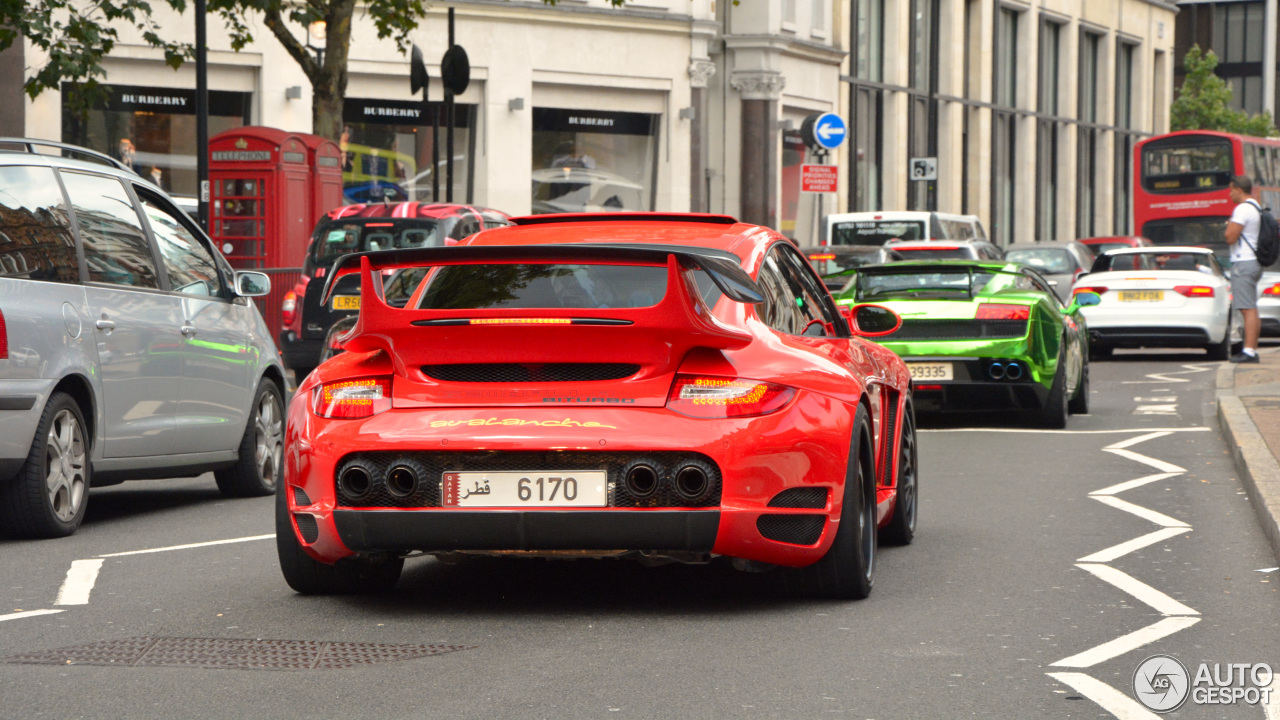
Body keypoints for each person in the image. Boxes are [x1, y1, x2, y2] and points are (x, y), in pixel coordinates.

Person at [1224, 175, 1263, 363]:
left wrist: (1228, 227)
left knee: (1247, 309)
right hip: (1254, 262)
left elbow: (1230, 237)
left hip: (1243, 262)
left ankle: (1249, 351)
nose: (1230, 194)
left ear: (1239, 189)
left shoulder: (1242, 209)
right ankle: (1251, 349)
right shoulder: (1255, 206)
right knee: (1251, 308)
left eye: (1231, 190)